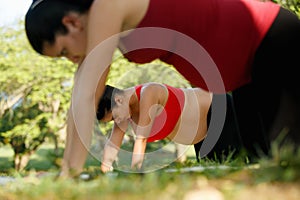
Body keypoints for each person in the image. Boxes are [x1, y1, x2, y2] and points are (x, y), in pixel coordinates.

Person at [24, 0, 300, 176]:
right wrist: (67, 172)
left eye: (63, 52)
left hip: (269, 41)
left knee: (289, 163)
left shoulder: (106, 6)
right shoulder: (95, 33)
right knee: (261, 168)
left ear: (71, 23)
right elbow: (79, 99)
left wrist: (70, 175)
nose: (71, 60)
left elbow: (87, 96)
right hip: (244, 78)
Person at [97, 83, 241, 172]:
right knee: (211, 170)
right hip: (201, 132)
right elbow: (112, 145)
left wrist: (135, 173)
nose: (117, 121)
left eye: (114, 117)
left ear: (118, 99)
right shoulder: (123, 110)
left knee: (230, 166)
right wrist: (104, 171)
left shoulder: (149, 92)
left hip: (216, 109)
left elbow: (141, 139)